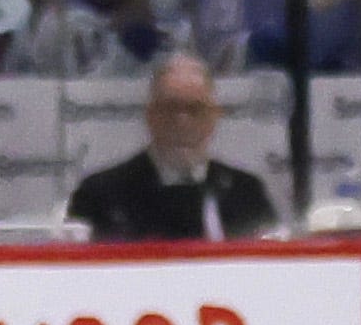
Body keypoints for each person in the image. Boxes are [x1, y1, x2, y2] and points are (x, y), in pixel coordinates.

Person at [67, 50, 278, 241]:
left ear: (214, 117)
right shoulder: (100, 195)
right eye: (170, 108)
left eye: (194, 109)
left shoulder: (247, 193)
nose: (182, 122)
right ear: (150, 116)